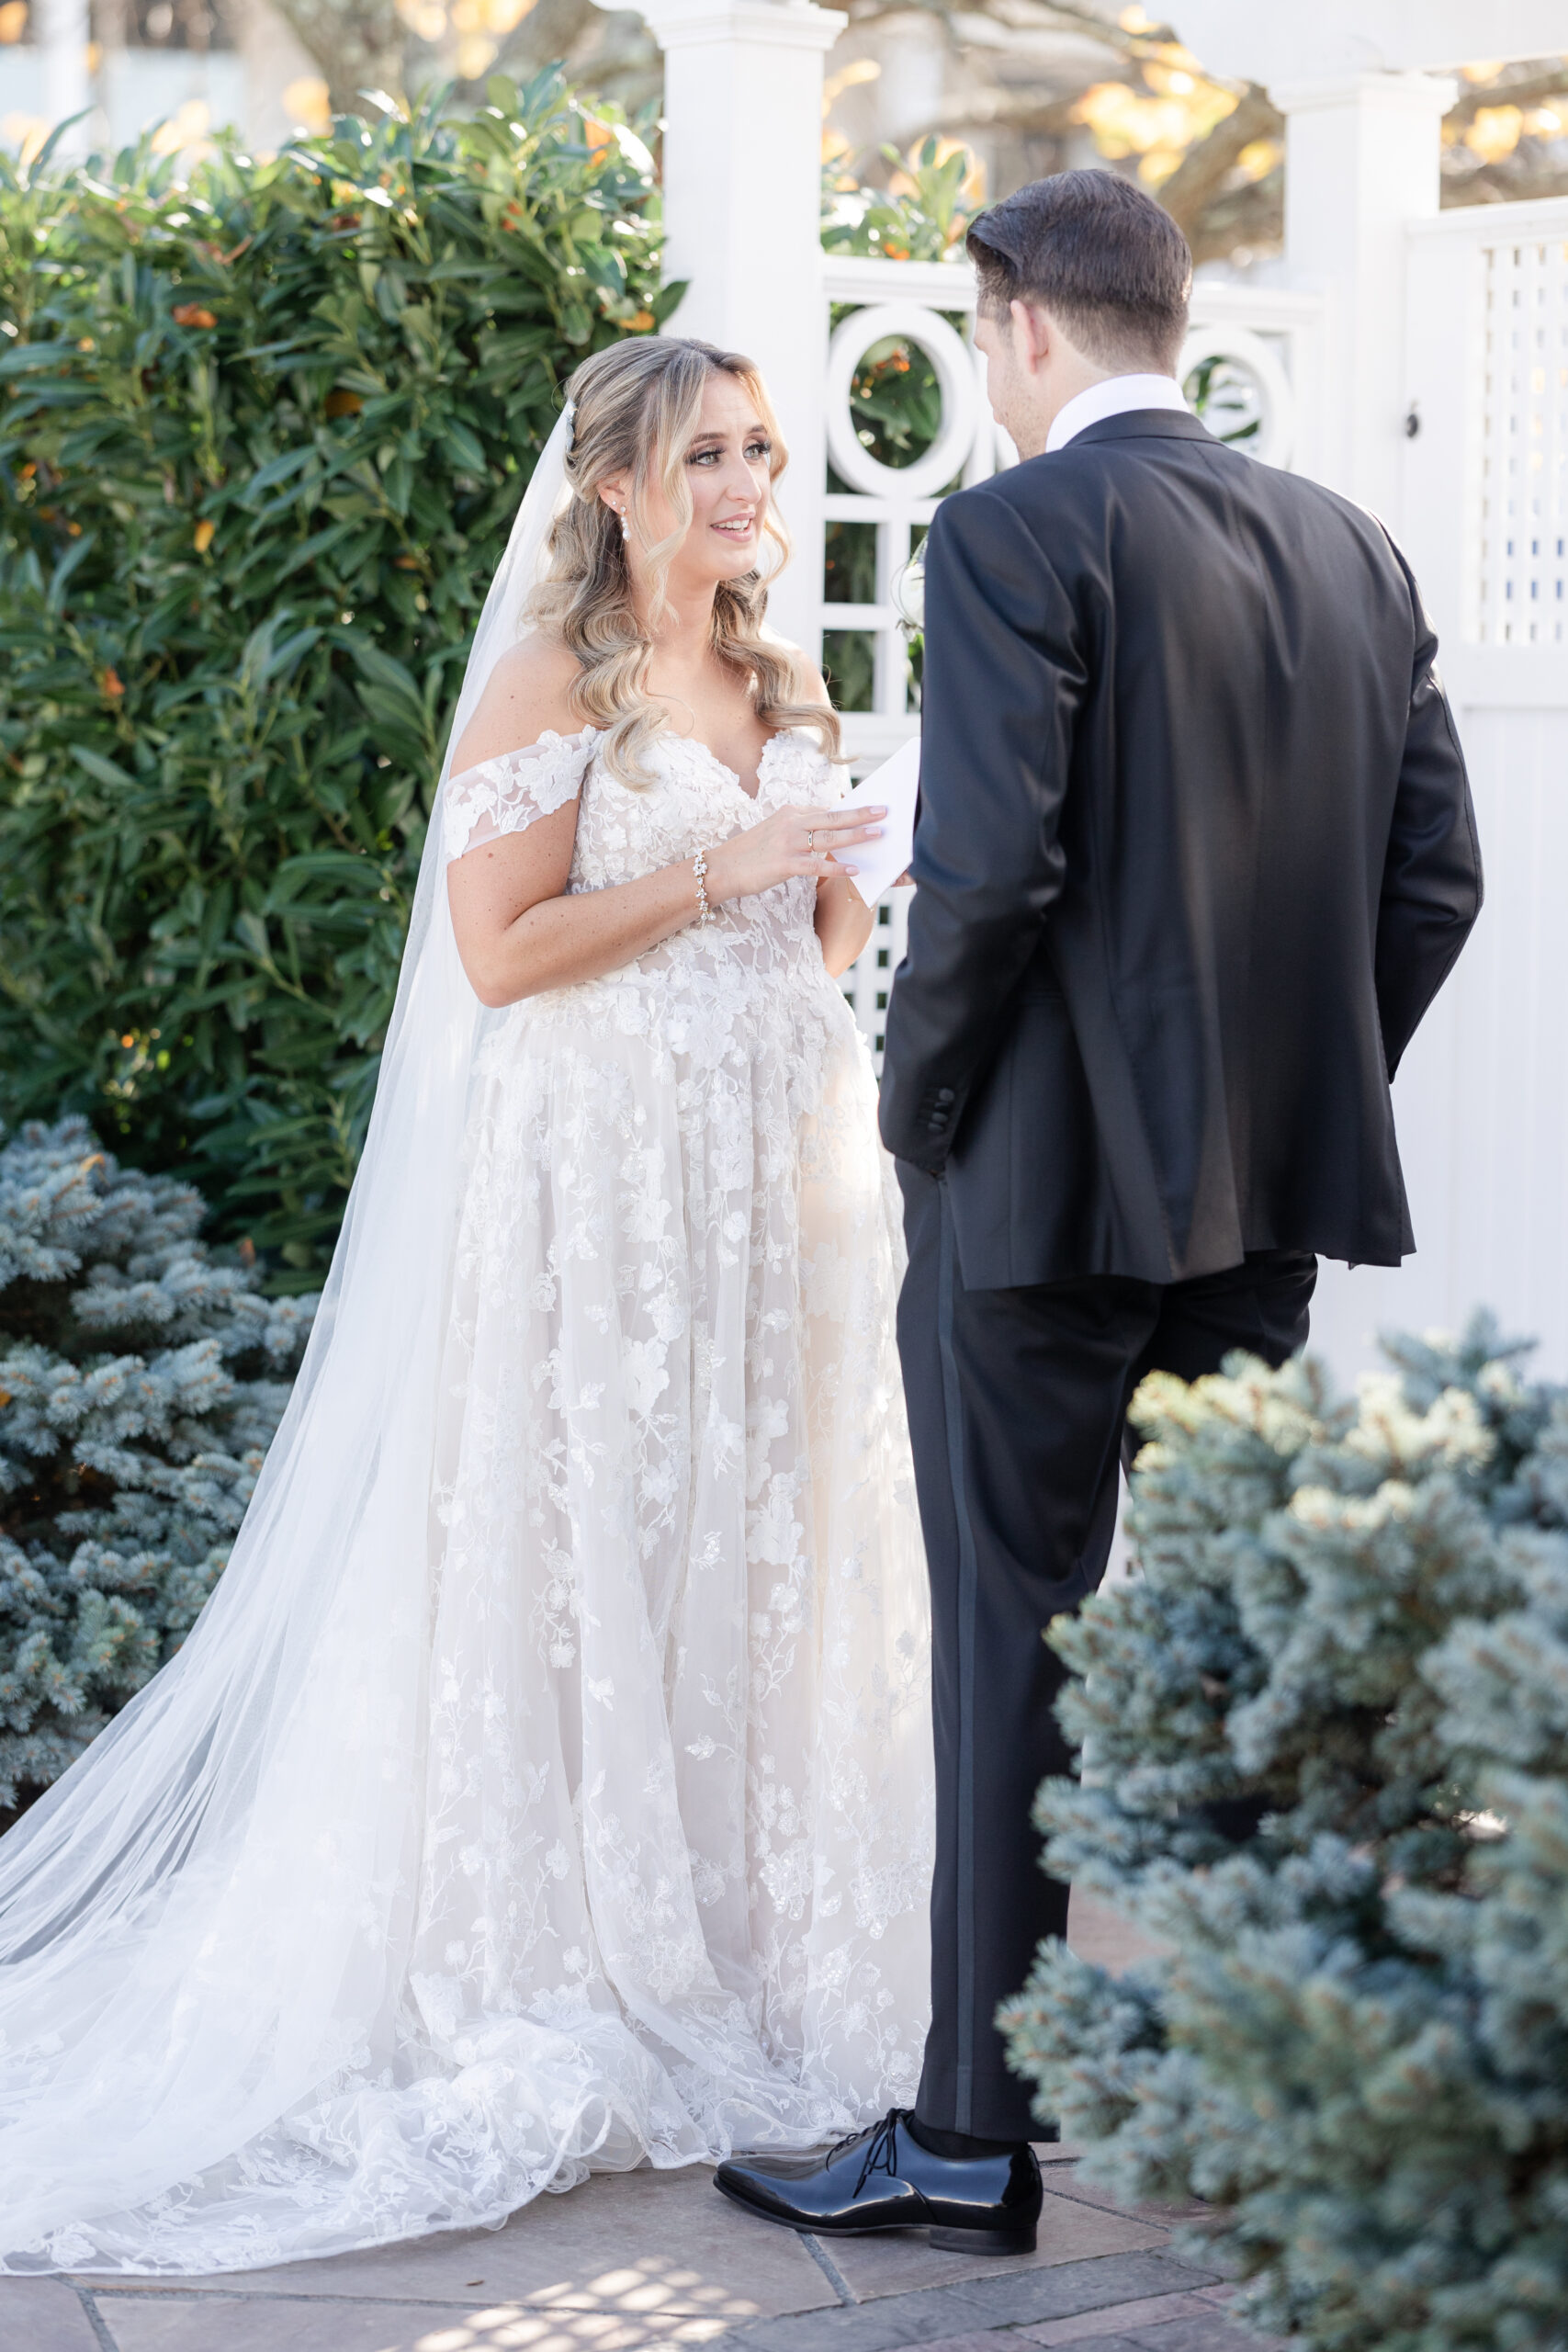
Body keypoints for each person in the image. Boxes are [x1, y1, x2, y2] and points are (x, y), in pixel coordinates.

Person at [0, 336, 933, 2274]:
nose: (751, 480)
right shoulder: (548, 678)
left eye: (762, 447)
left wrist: (844, 856)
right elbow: (499, 955)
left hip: (770, 1168)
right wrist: (719, 870)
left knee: (750, 1538)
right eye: (709, 452)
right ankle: (567, 1944)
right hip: (597, 1177)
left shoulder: (784, 672)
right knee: (584, 1538)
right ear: (613, 481)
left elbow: (823, 938)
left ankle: (748, 1933)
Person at [714, 167, 1482, 2255]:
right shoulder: (1352, 545)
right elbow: (1435, 883)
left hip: (1034, 1204)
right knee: (1238, 1644)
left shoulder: (1012, 529)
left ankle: (968, 2135)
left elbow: (986, 874)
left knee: (1007, 1638)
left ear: (1019, 324)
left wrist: (916, 1109)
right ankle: (1289, 2094)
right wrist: (1287, 1094)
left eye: (980, 337)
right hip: (1255, 1216)